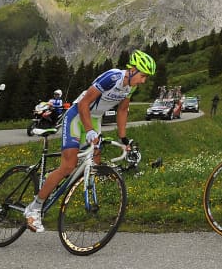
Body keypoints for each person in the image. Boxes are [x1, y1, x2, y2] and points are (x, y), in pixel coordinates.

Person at [23, 50, 155, 233]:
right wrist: (90, 131)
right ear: (132, 70)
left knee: (94, 161)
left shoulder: (130, 87)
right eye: (142, 76)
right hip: (78, 115)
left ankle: (53, 181)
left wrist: (123, 138)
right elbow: (84, 103)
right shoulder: (112, 77)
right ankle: (34, 208)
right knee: (68, 166)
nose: (143, 80)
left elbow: (123, 111)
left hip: (95, 119)